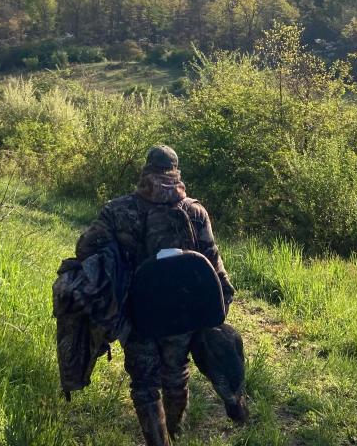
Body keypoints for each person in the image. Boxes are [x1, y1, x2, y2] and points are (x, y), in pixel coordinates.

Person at [75, 145, 242, 446]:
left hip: (139, 312)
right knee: (176, 373)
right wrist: (222, 303)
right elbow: (213, 261)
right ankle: (175, 431)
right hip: (183, 312)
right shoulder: (195, 212)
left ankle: (158, 441)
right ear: (176, 172)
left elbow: (85, 249)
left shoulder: (119, 210)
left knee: (144, 383)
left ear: (146, 170)